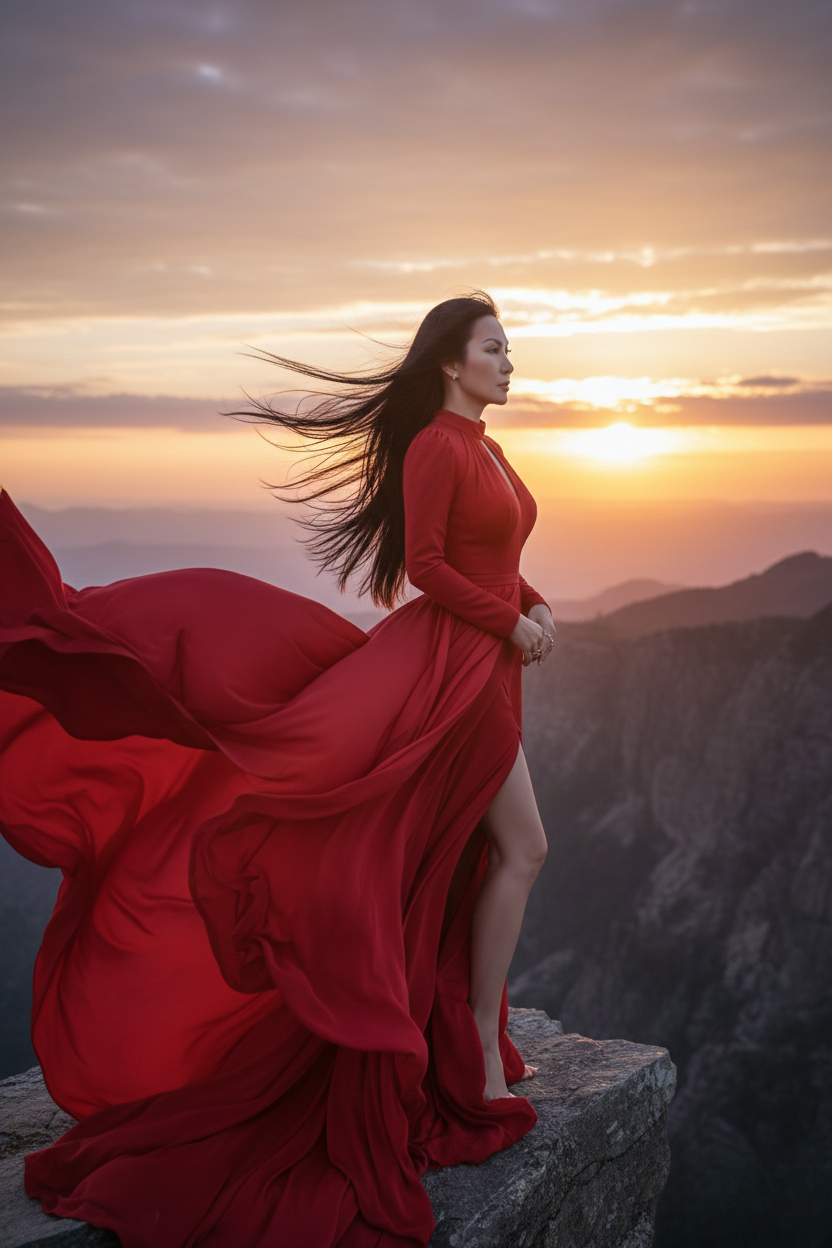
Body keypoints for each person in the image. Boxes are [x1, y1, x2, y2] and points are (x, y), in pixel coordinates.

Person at [0, 291, 556, 1248]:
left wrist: (533, 605)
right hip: (453, 672)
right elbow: (427, 565)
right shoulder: (435, 446)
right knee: (521, 848)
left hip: (488, 665)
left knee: (471, 854)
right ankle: (477, 1064)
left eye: (509, 349)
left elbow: (492, 552)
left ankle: (475, 1044)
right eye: (494, 350)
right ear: (449, 364)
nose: (511, 363)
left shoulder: (487, 448)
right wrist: (511, 622)